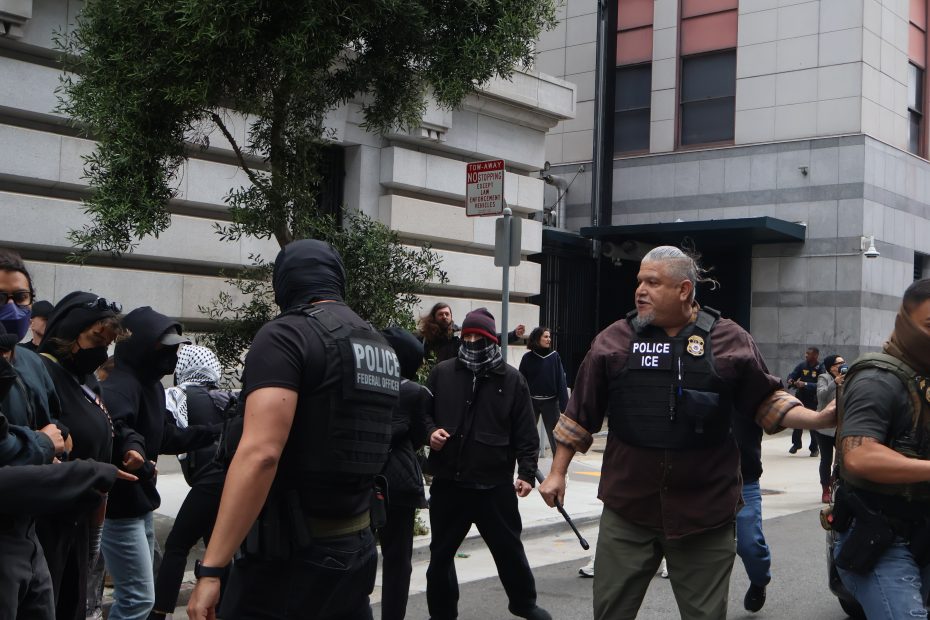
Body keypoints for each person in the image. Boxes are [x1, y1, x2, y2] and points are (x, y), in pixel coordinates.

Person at [538, 246, 836, 620]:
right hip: (629, 510)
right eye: (639, 282)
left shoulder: (730, 341)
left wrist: (819, 419)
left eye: (652, 282)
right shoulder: (613, 341)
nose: (640, 290)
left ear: (683, 290)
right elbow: (578, 414)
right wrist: (557, 472)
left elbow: (769, 401)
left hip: (705, 515)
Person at [187, 239, 399, 620]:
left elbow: (261, 454)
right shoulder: (378, 343)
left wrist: (212, 569)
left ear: (284, 282)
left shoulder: (286, 335)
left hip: (291, 559)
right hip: (357, 547)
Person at [424, 307, 550, 620]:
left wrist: (527, 473)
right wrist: (430, 433)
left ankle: (524, 604)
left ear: (491, 339)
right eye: (466, 335)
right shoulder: (443, 373)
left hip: (494, 485)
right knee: (440, 556)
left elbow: (525, 433)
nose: (470, 341)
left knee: (509, 551)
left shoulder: (511, 379)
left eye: (477, 336)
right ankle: (441, 614)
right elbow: (422, 413)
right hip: (449, 484)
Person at [100, 307, 219, 620]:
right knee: (137, 599)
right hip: (119, 508)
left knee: (141, 594)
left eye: (175, 349)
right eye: (164, 348)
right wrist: (135, 452)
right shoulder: (120, 386)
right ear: (140, 347)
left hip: (139, 505)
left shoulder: (151, 386)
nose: (171, 356)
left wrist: (213, 433)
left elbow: (164, 436)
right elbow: (116, 429)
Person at [832, 278, 930, 617]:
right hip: (881, 539)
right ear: (905, 321)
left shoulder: (924, 379)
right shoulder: (878, 379)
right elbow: (859, 456)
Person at [35, 292, 129, 620]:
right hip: (48, 522)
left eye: (109, 342)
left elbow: (109, 422)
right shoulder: (41, 373)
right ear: (69, 332)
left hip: (83, 518)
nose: (103, 349)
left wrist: (131, 448)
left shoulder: (86, 379)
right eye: (96, 338)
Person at [150, 345, 236, 619]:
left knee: (177, 544)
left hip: (209, 481)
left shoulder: (177, 395)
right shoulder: (227, 397)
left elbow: (165, 433)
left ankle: (159, 611)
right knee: (218, 547)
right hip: (232, 482)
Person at [378, 327, 430, 620]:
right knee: (398, 560)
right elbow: (420, 435)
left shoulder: (368, 383)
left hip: (364, 476)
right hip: (399, 482)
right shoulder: (415, 392)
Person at [731, 412, 772, 612]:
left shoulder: (754, 384)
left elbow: (783, 415)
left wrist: (823, 417)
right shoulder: (690, 380)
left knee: (750, 545)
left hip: (745, 479)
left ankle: (759, 580)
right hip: (702, 482)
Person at [418, 301, 526, 363]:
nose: (444, 317)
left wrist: (513, 335)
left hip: (456, 375)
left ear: (451, 316)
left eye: (447, 314)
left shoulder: (461, 333)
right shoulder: (426, 336)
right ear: (434, 317)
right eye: (441, 314)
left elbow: (489, 338)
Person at [519, 326, 569, 454]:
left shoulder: (554, 357)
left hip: (551, 403)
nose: (549, 339)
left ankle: (560, 472)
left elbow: (561, 383)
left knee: (555, 438)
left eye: (549, 337)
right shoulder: (527, 358)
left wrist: (565, 408)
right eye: (545, 336)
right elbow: (521, 383)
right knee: (527, 436)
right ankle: (527, 469)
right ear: (537, 339)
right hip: (531, 403)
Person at [816, 353, 845, 504]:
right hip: (825, 427)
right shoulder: (824, 378)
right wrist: (835, 382)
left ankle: (836, 482)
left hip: (841, 426)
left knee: (842, 458)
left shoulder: (847, 377)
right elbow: (821, 396)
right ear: (830, 367)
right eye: (838, 363)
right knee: (826, 459)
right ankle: (825, 489)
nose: (841, 365)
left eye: (843, 362)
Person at [787, 346, 823, 456]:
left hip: (813, 400)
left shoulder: (821, 368)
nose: (806, 355)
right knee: (798, 421)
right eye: (806, 353)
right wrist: (790, 380)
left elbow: (821, 385)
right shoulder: (802, 366)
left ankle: (814, 448)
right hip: (801, 397)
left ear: (816, 355)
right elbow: (792, 374)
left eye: (809, 353)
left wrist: (806, 384)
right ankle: (796, 444)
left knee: (813, 424)